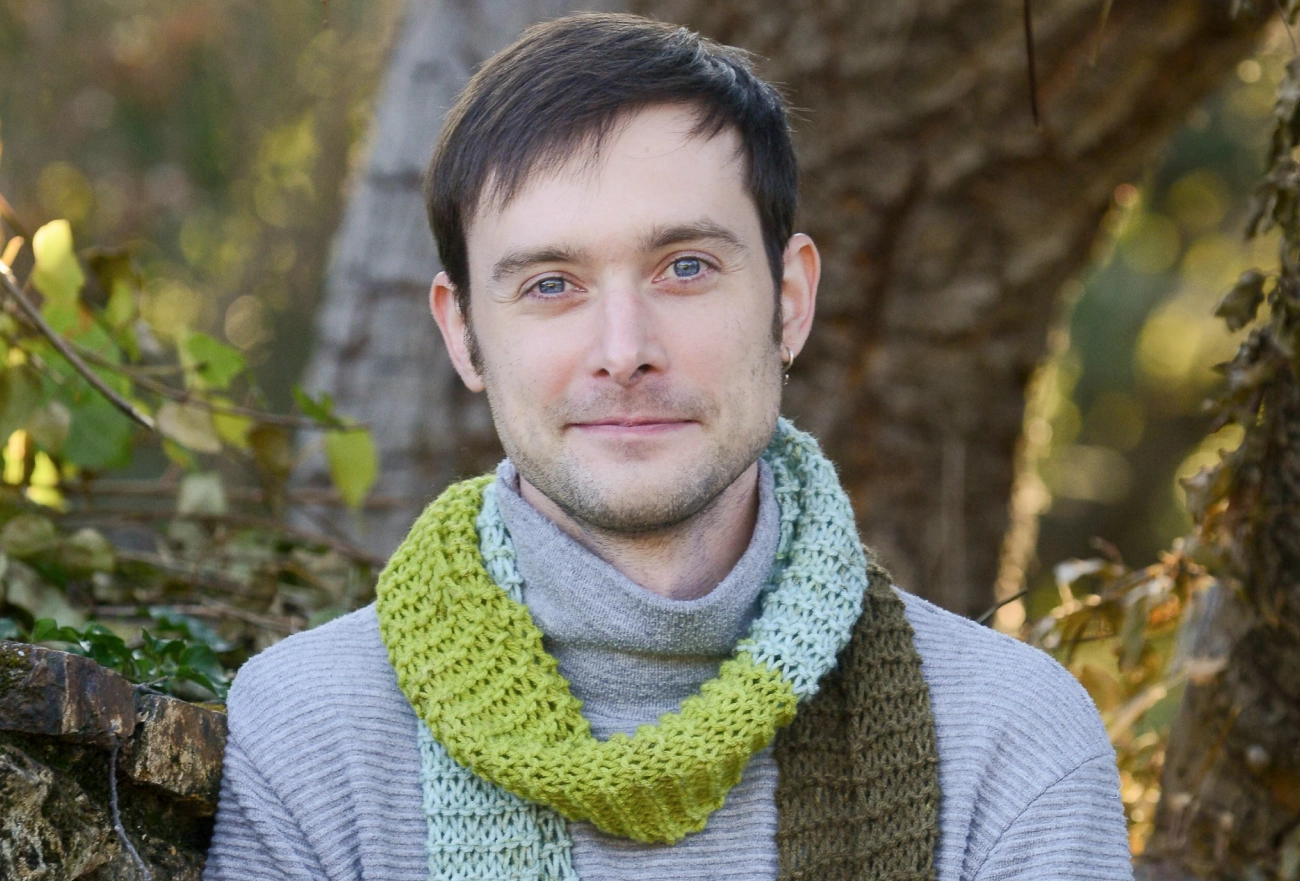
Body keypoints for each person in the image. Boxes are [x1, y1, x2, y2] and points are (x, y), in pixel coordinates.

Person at [204, 13, 1131, 881]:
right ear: (463, 335)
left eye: (685, 267)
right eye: (550, 283)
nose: (624, 351)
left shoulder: (1011, 745)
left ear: (790, 301)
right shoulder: (309, 739)